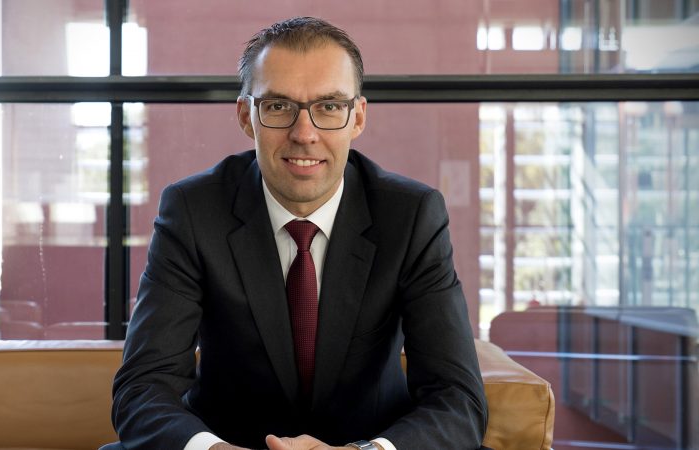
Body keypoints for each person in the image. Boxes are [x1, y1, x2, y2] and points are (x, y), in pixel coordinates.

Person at [110, 16, 488, 450]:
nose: (304, 134)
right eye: (278, 106)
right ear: (246, 116)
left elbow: (458, 398)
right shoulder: (193, 211)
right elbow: (143, 387)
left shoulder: (411, 215)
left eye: (329, 106)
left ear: (357, 117)